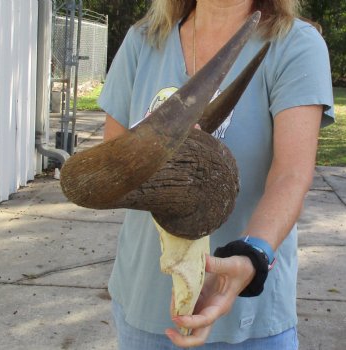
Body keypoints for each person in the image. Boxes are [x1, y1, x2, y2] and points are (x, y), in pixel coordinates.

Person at [98, 0, 334, 348]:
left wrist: (251, 255)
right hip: (144, 305)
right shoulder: (143, 41)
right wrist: (159, 151)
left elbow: (291, 176)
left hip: (249, 315)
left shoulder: (294, 44)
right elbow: (112, 169)